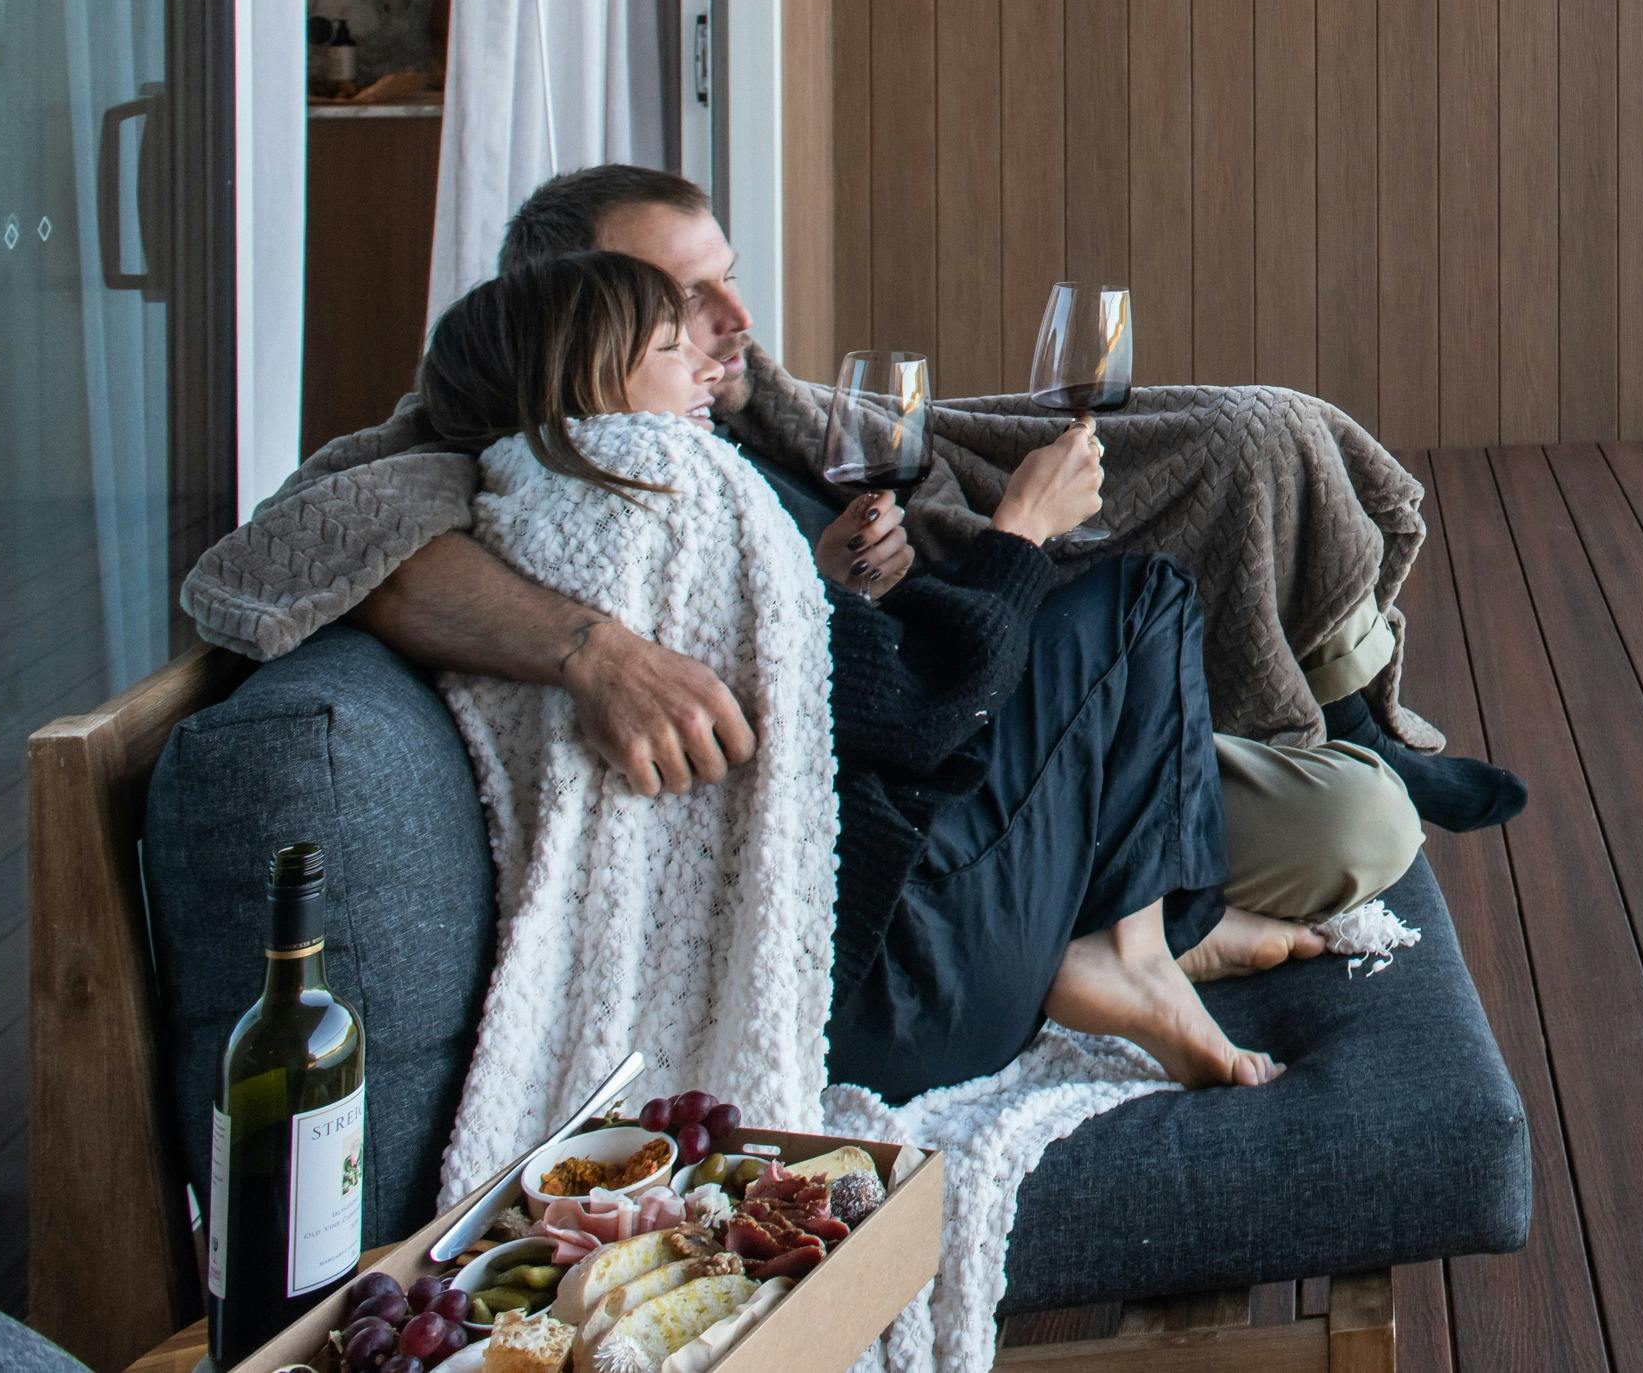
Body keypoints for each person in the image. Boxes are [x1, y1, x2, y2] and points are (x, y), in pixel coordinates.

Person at [183, 170, 1522, 986]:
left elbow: (831, 592)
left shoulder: (709, 422)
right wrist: (596, 652)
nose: (733, 328)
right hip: (936, 798)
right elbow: (329, 536)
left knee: (1251, 434)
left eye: (729, 280)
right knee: (1354, 832)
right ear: (576, 312)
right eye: (681, 302)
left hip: (972, 726)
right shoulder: (498, 459)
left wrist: (853, 571)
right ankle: (1152, 922)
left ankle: (1333, 733)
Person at [414, 251, 1274, 1092]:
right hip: (901, 985)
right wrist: (1017, 529)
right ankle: (1132, 949)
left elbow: (798, 699)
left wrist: (824, 592)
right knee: (1142, 599)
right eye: (675, 348)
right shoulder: (674, 487)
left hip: (841, 975)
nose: (713, 366)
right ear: (590, 380)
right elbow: (925, 713)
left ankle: (1151, 932)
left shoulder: (522, 509)